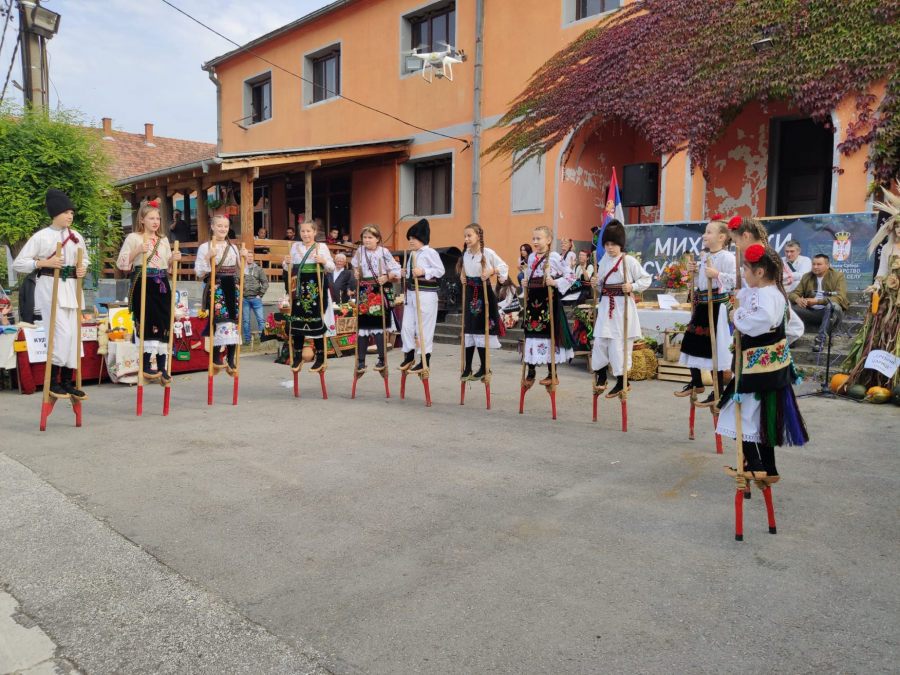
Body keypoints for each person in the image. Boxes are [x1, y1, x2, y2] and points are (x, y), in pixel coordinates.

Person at [717, 243, 809, 484]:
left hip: (755, 371)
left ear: (759, 272)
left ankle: (755, 466)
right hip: (772, 369)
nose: (743, 274)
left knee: (738, 415)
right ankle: (769, 468)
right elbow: (788, 326)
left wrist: (737, 315)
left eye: (746, 269)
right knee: (763, 419)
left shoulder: (766, 294)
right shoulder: (776, 293)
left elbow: (762, 319)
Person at [12, 188, 89, 400]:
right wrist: (43, 262)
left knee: (73, 336)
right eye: (66, 212)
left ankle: (67, 381)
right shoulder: (42, 236)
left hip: (72, 288)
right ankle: (53, 381)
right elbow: (19, 263)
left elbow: (85, 259)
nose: (70, 216)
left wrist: (83, 268)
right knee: (61, 335)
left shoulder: (76, 237)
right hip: (50, 286)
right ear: (55, 213)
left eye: (72, 212)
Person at [117, 201, 183, 384]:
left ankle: (162, 366)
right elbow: (122, 263)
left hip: (161, 282)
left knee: (164, 319)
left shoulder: (163, 239)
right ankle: (146, 364)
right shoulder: (133, 238)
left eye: (158, 218)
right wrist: (138, 250)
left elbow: (168, 265)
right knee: (147, 319)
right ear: (142, 220)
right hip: (143, 281)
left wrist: (174, 259)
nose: (155, 222)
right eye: (151, 218)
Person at [674, 216, 736, 406]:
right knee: (692, 341)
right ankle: (697, 382)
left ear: (722, 237)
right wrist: (694, 271)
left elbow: (736, 280)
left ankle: (718, 391)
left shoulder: (727, 257)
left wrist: (717, 274)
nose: (704, 235)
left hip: (717, 306)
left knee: (715, 348)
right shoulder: (705, 257)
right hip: (702, 304)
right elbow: (700, 282)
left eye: (709, 232)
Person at [844, 184, 900, 389]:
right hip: (889, 297)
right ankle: (881, 379)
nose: (899, 229)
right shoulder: (888, 247)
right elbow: (882, 270)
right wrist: (877, 285)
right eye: (897, 226)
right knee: (883, 332)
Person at [589, 221, 652, 398]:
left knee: (618, 344)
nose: (610, 248)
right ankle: (601, 376)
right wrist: (596, 283)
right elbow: (602, 284)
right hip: (606, 307)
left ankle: (622, 381)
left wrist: (632, 286)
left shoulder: (628, 261)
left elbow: (646, 279)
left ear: (620, 244)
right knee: (600, 341)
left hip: (622, 307)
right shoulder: (604, 261)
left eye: (613, 244)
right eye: (607, 244)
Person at [728, 217, 804, 344]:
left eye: (736, 241)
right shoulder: (755, 260)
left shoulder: (766, 260)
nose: (736, 246)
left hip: (764, 326)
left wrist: (754, 292)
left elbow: (785, 279)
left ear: (746, 236)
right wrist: (745, 292)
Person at [521, 226, 576, 386]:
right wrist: (525, 282)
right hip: (532, 301)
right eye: (534, 238)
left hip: (548, 300)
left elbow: (571, 275)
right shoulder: (531, 257)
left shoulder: (554, 257)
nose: (535, 241)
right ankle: (531, 372)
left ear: (548, 240)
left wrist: (556, 282)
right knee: (531, 333)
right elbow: (530, 276)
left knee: (549, 334)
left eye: (539, 238)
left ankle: (553, 374)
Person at [195, 215, 249, 376]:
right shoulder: (205, 247)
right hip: (216, 284)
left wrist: (244, 258)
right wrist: (207, 256)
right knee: (220, 319)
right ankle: (216, 356)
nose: (223, 229)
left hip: (232, 285)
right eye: (219, 226)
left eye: (225, 226)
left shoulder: (233, 247)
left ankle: (231, 357)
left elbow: (241, 270)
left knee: (234, 320)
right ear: (212, 227)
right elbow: (199, 272)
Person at [282, 219, 336, 373]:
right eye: (303, 231)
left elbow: (332, 267)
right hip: (299, 289)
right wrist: (286, 262)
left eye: (308, 231)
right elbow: (286, 267)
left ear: (315, 232)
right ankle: (298, 355)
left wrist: (323, 261)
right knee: (297, 320)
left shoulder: (321, 247)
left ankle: (320, 357)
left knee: (316, 320)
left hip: (315, 289)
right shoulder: (294, 246)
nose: (305, 234)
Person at [456, 223, 509, 381]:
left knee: (480, 330)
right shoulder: (465, 254)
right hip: (469, 293)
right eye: (465, 236)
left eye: (469, 236)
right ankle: (467, 368)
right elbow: (465, 272)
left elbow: (504, 266)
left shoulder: (488, 253)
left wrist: (492, 271)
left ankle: (485, 368)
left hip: (483, 294)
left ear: (478, 236)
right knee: (469, 329)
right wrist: (463, 278)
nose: (466, 239)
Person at [350, 224, 401, 374]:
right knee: (363, 327)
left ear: (377, 238)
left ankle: (381, 360)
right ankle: (361, 362)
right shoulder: (359, 251)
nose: (367, 240)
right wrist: (356, 273)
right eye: (364, 237)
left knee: (379, 327)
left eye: (370, 237)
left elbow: (396, 270)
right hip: (364, 292)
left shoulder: (384, 252)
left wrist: (387, 277)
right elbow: (354, 266)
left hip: (379, 290)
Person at [398, 219, 445, 374]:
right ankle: (409, 355)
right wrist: (405, 273)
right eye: (409, 239)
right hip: (411, 296)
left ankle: (424, 360)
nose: (411, 241)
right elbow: (411, 275)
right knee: (406, 326)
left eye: (414, 238)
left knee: (423, 329)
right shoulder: (412, 254)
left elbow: (440, 270)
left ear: (422, 238)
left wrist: (423, 271)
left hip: (426, 296)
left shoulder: (430, 252)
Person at [789, 254, 848, 351]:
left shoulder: (838, 276)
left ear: (827, 266)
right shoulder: (807, 276)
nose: (815, 267)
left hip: (831, 312)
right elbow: (794, 293)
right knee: (789, 307)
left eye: (819, 264)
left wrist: (817, 301)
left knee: (832, 306)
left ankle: (820, 339)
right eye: (813, 264)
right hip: (811, 311)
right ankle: (791, 337)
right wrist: (798, 299)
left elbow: (840, 298)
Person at [241, 257, 269, 346]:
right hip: (245, 298)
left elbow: (265, 283)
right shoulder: (241, 268)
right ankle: (247, 340)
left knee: (261, 320)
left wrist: (260, 295)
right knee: (245, 321)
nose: (250, 258)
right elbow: (236, 282)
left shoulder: (258, 269)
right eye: (248, 257)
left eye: (251, 257)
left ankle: (262, 339)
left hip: (256, 298)